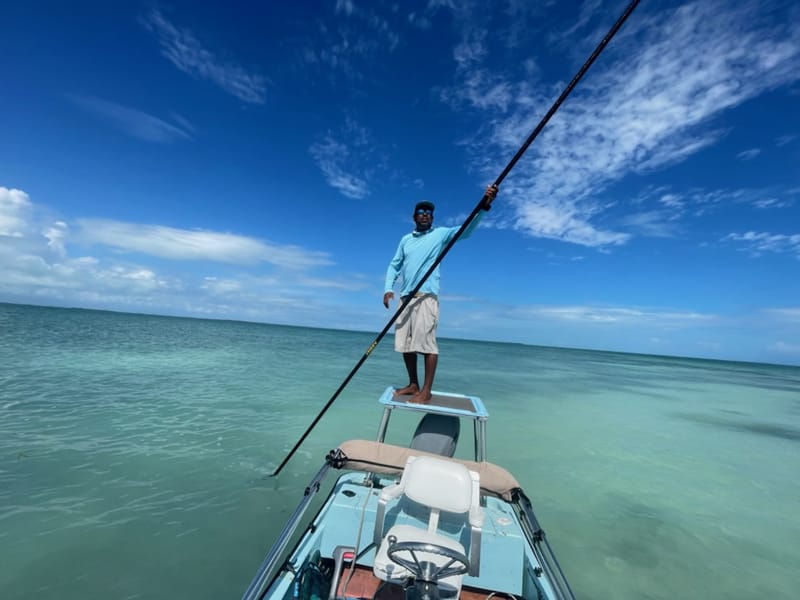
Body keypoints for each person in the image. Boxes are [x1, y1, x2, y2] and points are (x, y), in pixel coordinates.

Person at [383, 184, 498, 404]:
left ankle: (426, 391)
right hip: (406, 298)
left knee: (426, 344)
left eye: (429, 212)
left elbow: (467, 229)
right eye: (421, 212)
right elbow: (394, 265)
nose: (425, 215)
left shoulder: (441, 234)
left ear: (432, 217)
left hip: (426, 297)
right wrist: (389, 288)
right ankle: (413, 384)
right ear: (414, 217)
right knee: (405, 345)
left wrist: (485, 205)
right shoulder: (405, 240)